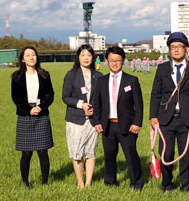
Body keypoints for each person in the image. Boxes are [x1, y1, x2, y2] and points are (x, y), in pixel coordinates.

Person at [150, 32, 189, 192]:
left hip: (187, 118)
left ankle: (187, 186)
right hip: (165, 118)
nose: (176, 50)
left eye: (179, 47)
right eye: (173, 47)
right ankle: (167, 185)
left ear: (186, 49)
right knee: (166, 153)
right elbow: (155, 93)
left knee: (186, 155)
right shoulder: (162, 68)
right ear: (169, 50)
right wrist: (153, 116)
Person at [91, 46, 144, 190]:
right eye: (111, 60)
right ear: (107, 61)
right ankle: (110, 182)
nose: (114, 63)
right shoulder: (101, 81)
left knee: (131, 155)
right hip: (108, 125)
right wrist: (96, 122)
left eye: (118, 60)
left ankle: (137, 183)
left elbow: (139, 105)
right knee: (109, 156)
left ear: (123, 61)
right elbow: (97, 104)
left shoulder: (132, 80)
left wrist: (137, 123)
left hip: (127, 126)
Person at [11, 46, 54, 187]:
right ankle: (25, 183)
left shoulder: (44, 75)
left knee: (43, 152)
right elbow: (15, 98)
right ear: (23, 59)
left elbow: (50, 95)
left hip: (41, 115)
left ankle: (45, 182)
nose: (31, 57)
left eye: (33, 55)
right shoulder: (17, 77)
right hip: (25, 116)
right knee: (26, 153)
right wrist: (28, 110)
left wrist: (41, 108)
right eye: (27, 55)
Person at [62, 45, 103, 188]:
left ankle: (88, 182)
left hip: (92, 121)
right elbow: (65, 97)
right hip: (76, 121)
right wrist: (82, 105)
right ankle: (80, 182)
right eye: (83, 55)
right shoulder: (71, 74)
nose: (86, 58)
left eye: (89, 55)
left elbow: (102, 98)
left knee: (91, 152)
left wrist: (95, 110)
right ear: (78, 57)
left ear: (93, 58)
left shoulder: (98, 76)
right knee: (77, 153)